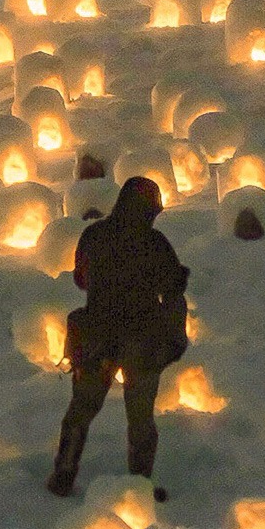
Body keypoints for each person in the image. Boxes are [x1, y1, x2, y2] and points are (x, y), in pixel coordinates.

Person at [46, 177, 189, 496]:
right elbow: (174, 291)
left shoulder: (94, 236)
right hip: (142, 341)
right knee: (141, 418)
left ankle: (64, 473)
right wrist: (174, 337)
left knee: (81, 410)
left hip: (97, 337)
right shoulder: (155, 244)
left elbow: (81, 280)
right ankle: (139, 484)